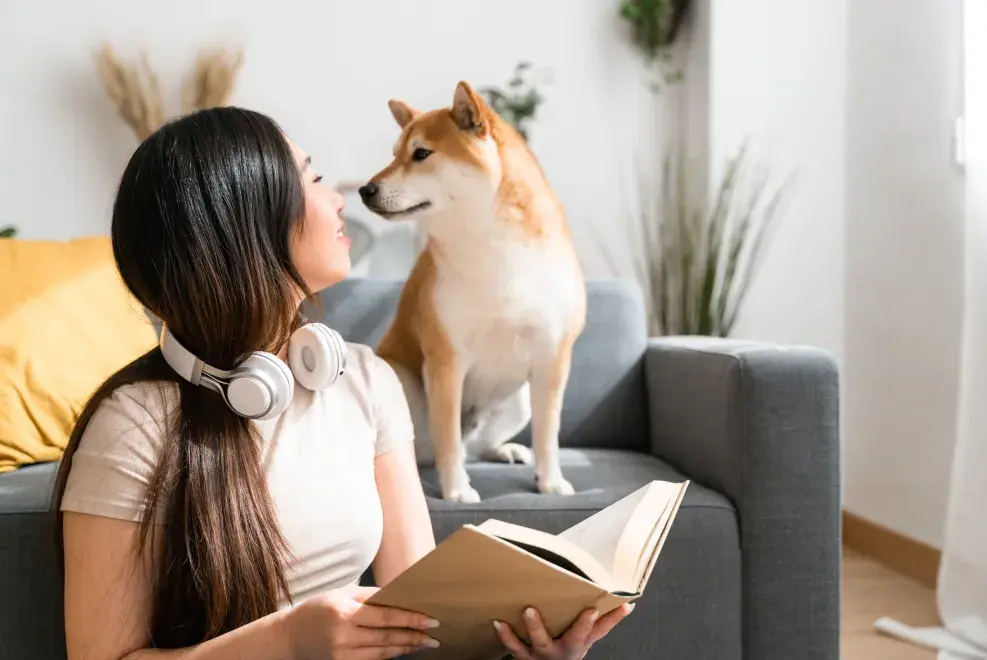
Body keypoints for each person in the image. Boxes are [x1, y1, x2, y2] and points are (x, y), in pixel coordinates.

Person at [52, 106, 632, 660]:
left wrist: (537, 649)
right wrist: (286, 643)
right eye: (314, 179)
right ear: (244, 223)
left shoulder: (365, 381)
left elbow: (428, 622)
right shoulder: (135, 426)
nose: (339, 200)